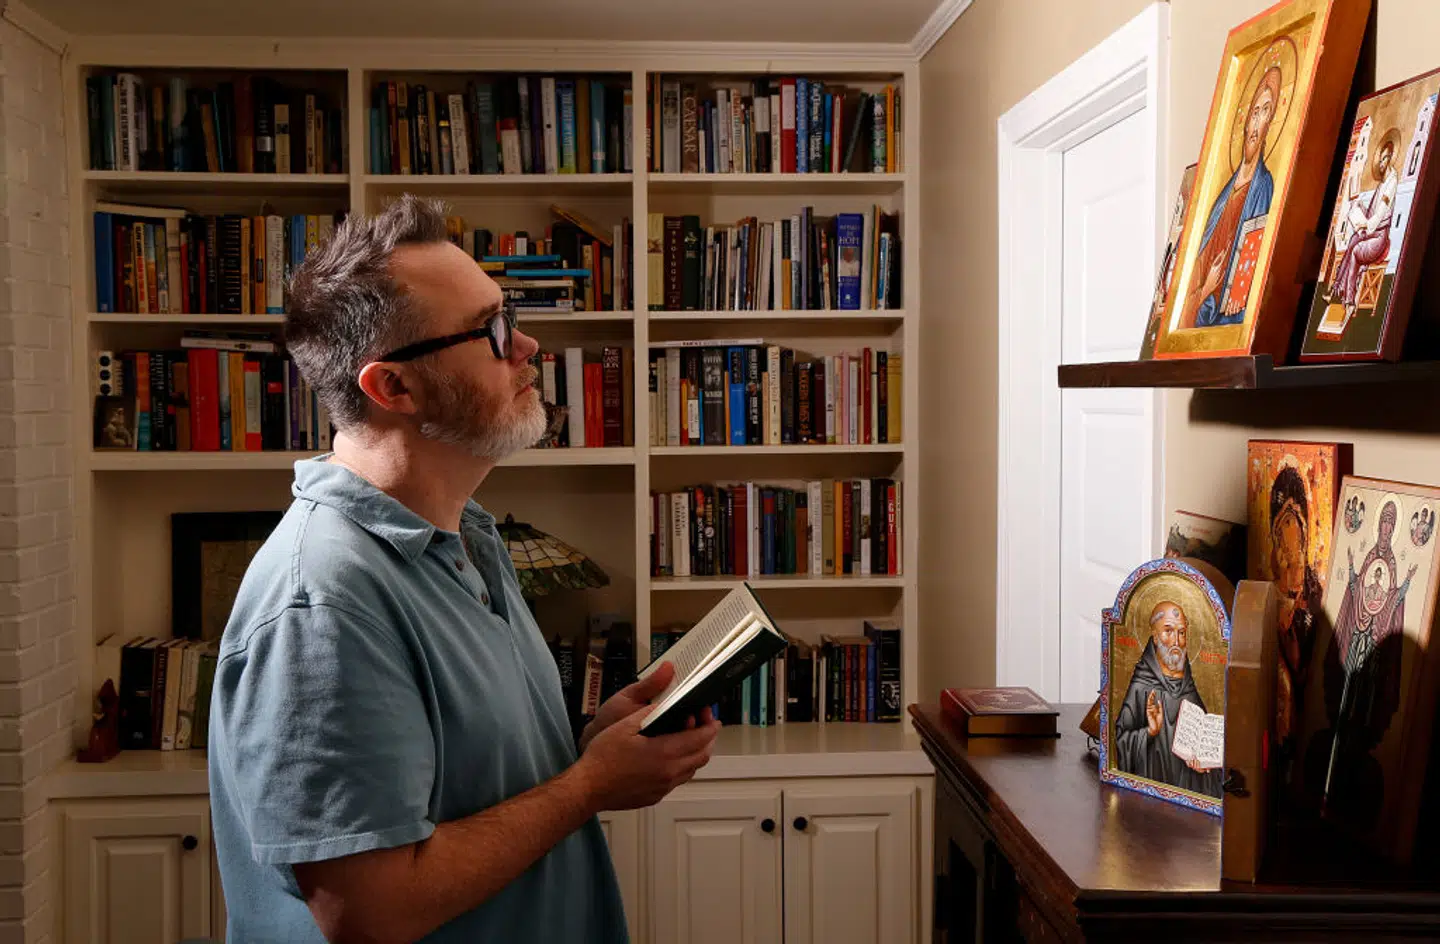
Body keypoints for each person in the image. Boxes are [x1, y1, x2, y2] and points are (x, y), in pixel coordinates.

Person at [207, 193, 721, 943]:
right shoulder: (323, 603)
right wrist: (587, 787)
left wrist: (584, 751)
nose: (529, 346)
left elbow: (469, 789)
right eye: (492, 331)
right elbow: (372, 912)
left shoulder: (467, 533)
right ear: (393, 387)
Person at [1180, 66, 1281, 329]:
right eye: (1254, 112)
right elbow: (1200, 256)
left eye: (1265, 111)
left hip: (1228, 314)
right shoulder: (1222, 194)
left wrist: (1225, 290)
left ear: (1270, 123)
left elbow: (1252, 260)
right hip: (1202, 305)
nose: (1256, 124)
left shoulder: (1263, 186)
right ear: (1246, 122)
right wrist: (1203, 289)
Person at [1111, 600, 1223, 799]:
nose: (1176, 641)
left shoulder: (1188, 688)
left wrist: (1203, 763)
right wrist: (1150, 732)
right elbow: (1120, 741)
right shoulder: (1141, 686)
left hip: (1186, 797)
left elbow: (1204, 746)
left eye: (1181, 633)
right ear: (1155, 637)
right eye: (1168, 631)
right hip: (1150, 796)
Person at [1328, 130, 1399, 318]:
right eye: (1380, 159)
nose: (1381, 163)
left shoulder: (1391, 183)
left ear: (1390, 159)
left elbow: (1380, 214)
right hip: (1371, 232)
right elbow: (1371, 213)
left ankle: (1349, 301)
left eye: (1384, 159)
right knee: (1353, 239)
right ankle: (1336, 288)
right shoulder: (1381, 184)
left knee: (1356, 251)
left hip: (1379, 238)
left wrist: (1366, 226)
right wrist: (1359, 208)